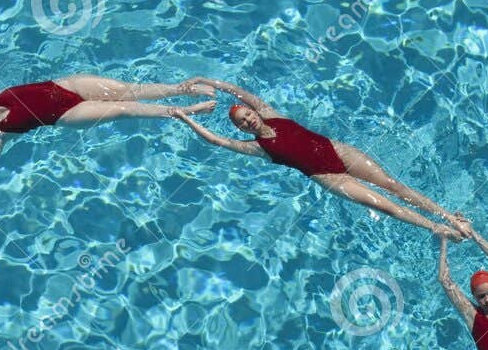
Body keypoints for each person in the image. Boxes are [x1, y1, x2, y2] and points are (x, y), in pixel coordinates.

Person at [174, 77, 470, 238]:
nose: (248, 120)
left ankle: (448, 216)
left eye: (247, 114)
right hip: (331, 177)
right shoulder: (258, 148)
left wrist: (204, 79)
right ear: (240, 128)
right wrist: (186, 117)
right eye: (241, 122)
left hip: (338, 150)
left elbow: (239, 92)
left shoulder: (270, 113)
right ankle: (437, 228)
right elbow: (216, 139)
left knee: (395, 186)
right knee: (387, 206)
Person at [0, 76, 217, 175]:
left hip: (69, 85)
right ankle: (183, 111)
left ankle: (184, 88)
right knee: (123, 109)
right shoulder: (0, 133)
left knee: (129, 90)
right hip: (68, 114)